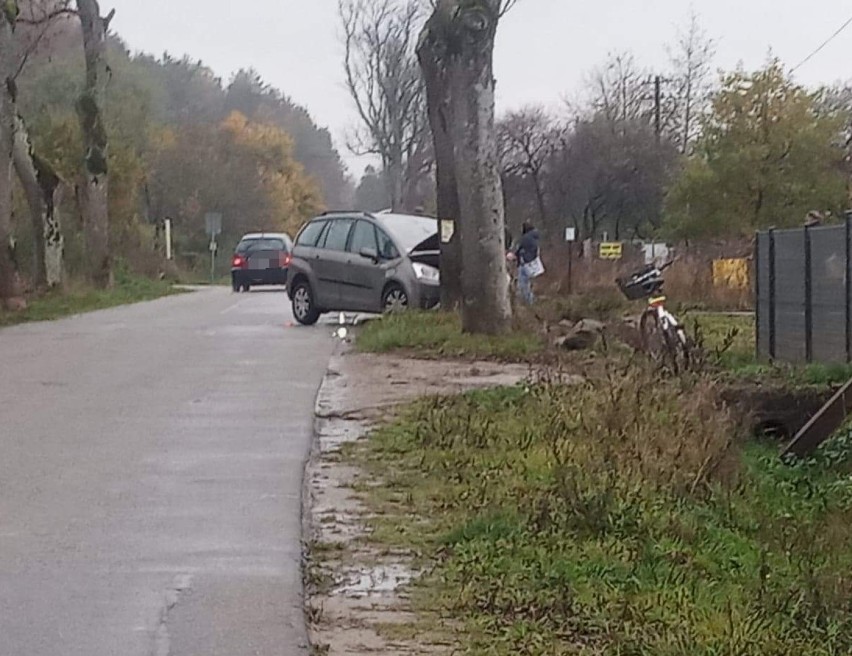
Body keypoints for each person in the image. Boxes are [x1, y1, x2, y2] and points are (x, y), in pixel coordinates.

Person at [513, 222, 540, 304]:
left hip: (525, 264)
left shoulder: (526, 238)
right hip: (532, 264)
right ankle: (530, 301)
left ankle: (528, 302)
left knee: (523, 285)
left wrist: (521, 256)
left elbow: (519, 248)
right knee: (527, 283)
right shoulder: (534, 237)